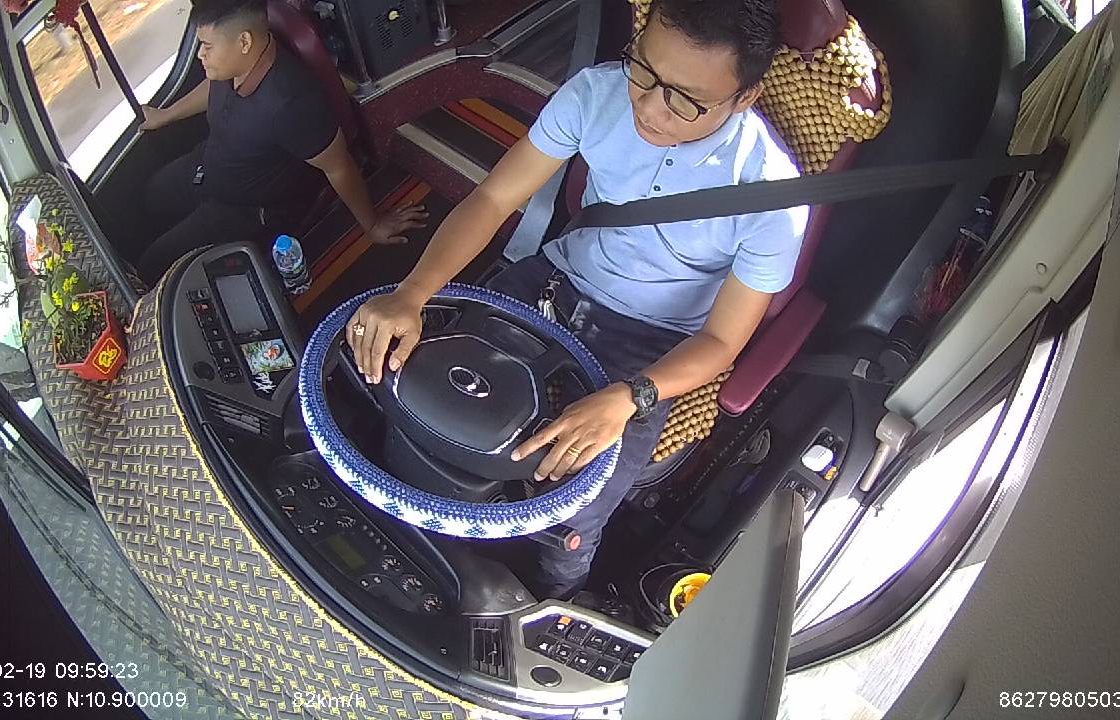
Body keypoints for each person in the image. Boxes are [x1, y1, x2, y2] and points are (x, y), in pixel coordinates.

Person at [346, 0, 808, 600]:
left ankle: (555, 596)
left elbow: (721, 341)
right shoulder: (597, 92)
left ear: (743, 98)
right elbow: (493, 199)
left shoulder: (772, 199)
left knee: (576, 505)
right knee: (415, 379)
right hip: (554, 278)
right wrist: (412, 293)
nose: (648, 107)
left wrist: (629, 397)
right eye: (645, 70)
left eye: (685, 101)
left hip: (653, 343)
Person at [135, 0, 427, 281]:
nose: (200, 54)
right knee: (150, 196)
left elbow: (339, 166)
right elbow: (214, 86)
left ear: (244, 42)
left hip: (243, 208)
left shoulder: (290, 104)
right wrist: (166, 115)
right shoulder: (230, 67)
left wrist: (373, 224)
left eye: (207, 46)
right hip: (208, 166)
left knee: (152, 265)